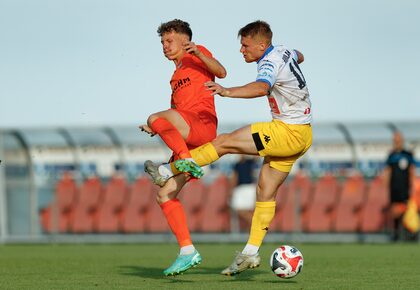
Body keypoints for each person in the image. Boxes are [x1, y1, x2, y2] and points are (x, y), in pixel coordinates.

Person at [145, 20, 312, 276]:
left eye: (245, 46)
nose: (242, 51)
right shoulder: (284, 51)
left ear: (261, 45)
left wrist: (226, 91)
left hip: (286, 130)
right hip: (303, 134)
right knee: (265, 193)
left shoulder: (269, 61)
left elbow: (260, 87)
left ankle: (169, 169)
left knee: (224, 143)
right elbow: (300, 56)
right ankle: (250, 252)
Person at [140, 19, 226, 276]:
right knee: (164, 195)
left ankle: (178, 163)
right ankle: (188, 251)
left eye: (169, 41)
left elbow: (221, 72)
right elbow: (175, 114)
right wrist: (157, 127)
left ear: (184, 40)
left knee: (155, 117)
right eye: (163, 42)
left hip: (201, 124)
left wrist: (198, 52)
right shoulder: (175, 76)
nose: (165, 46)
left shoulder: (196, 53)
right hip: (188, 135)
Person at [384, 131, 416, 241]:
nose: (396, 141)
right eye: (394, 140)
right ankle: (396, 233)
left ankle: (409, 233)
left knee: (407, 210)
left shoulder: (408, 154)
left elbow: (412, 171)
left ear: (402, 140)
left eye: (398, 139)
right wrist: (386, 185)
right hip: (394, 187)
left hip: (405, 187)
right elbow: (387, 171)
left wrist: (413, 186)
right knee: (394, 211)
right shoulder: (391, 155)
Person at [229, 156, 259, 231]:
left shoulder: (250, 162)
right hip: (240, 188)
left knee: (247, 210)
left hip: (249, 187)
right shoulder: (237, 165)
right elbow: (235, 178)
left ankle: (255, 228)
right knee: (238, 209)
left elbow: (257, 156)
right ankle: (255, 226)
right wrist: (231, 190)